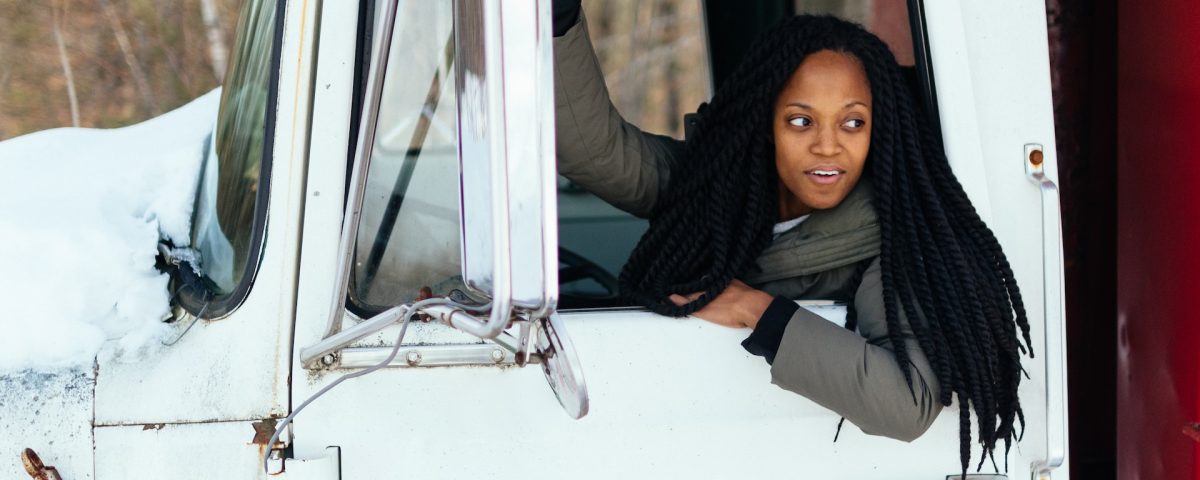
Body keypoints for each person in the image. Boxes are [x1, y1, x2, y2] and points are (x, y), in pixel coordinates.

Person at [552, 2, 1034, 476]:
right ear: (766, 124)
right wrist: (557, 18)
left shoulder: (887, 241)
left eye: (853, 122)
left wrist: (754, 310)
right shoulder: (712, 184)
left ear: (877, 131)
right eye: (802, 121)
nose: (828, 145)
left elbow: (908, 402)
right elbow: (594, 154)